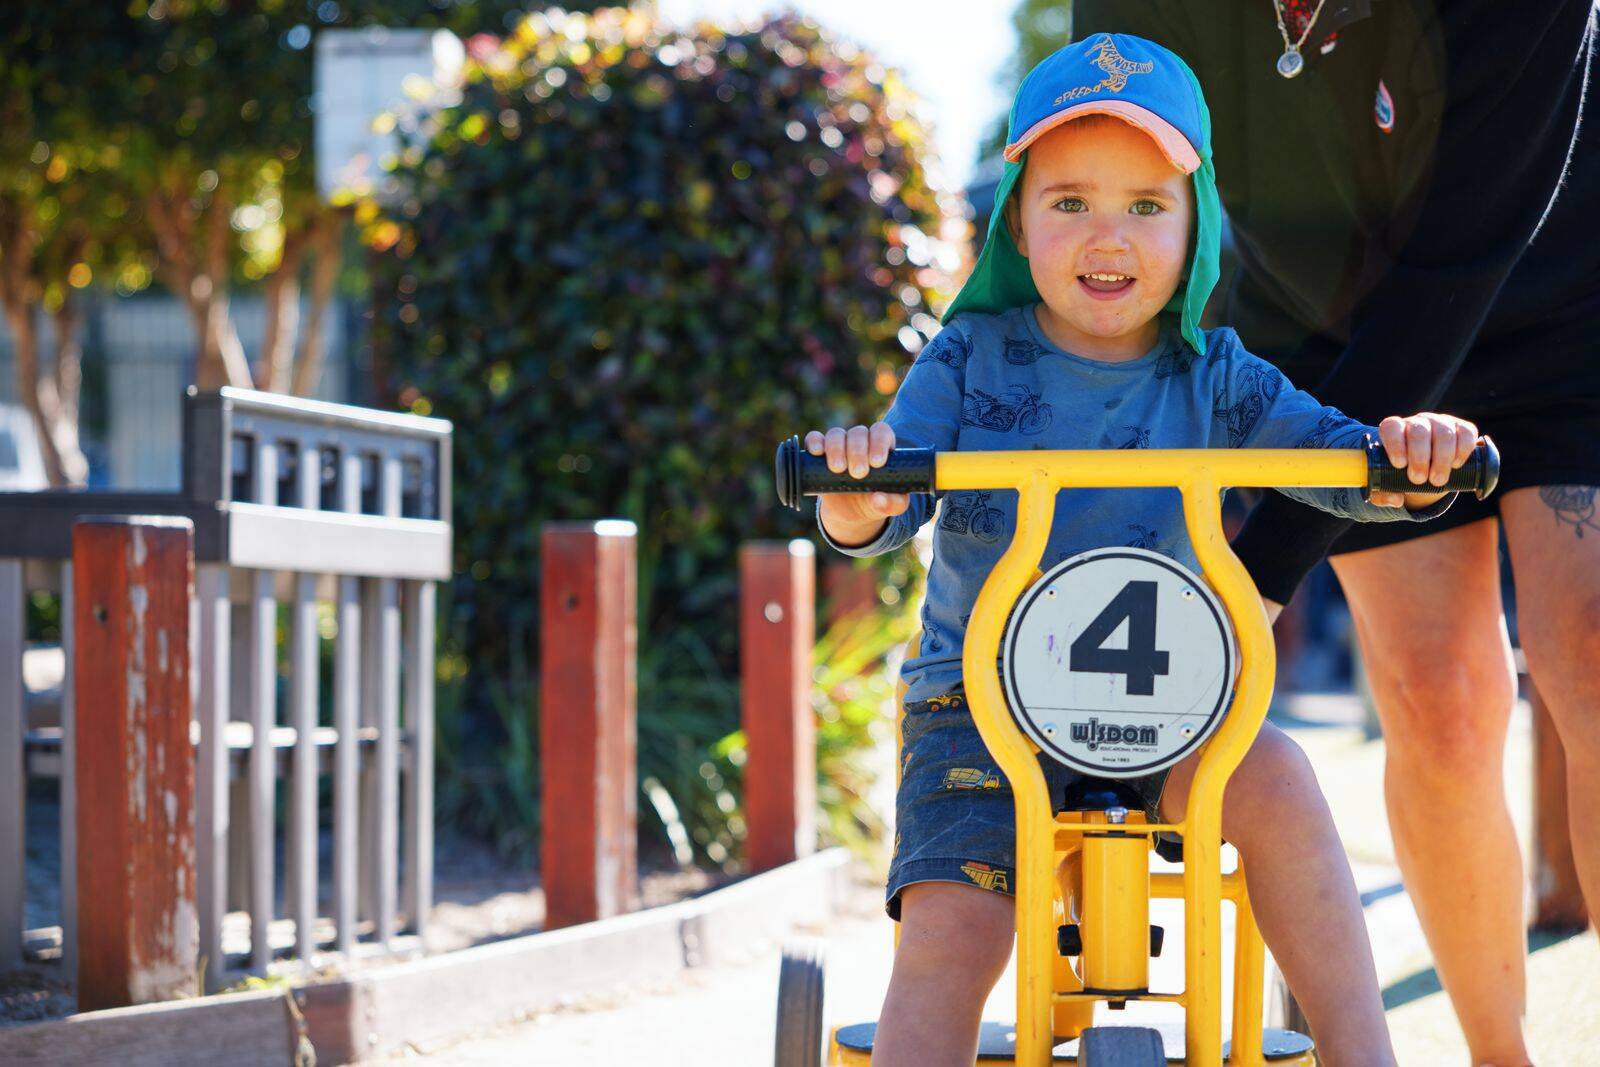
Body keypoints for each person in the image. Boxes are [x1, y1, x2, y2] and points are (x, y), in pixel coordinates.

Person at [805, 35, 1481, 1067]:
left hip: (1171, 700)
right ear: (1016, 224)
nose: (1104, 234)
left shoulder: (1215, 375)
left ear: (1194, 223)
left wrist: (1405, 456)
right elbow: (886, 496)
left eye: (1145, 205)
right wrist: (856, 494)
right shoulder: (970, 354)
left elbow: (1338, 461)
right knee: (954, 928)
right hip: (978, 705)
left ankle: (1362, 1050)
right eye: (1068, 201)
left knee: (1280, 781)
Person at [1063, 5, 1599, 1064]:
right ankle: (1500, 1054)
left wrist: (1257, 578)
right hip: (1330, 326)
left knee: (1591, 650)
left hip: (1563, 296)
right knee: (1437, 701)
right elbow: (1104, 192)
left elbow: (1458, 257)